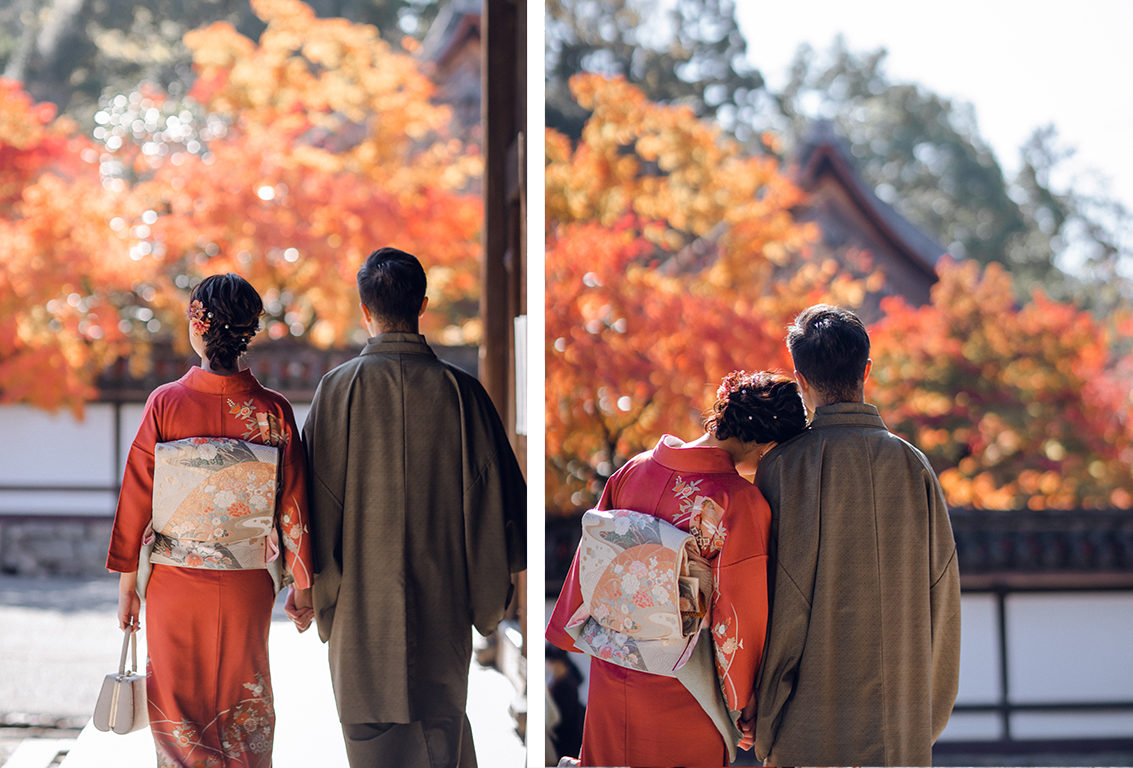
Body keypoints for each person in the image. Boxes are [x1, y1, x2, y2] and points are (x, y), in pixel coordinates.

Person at [303, 247, 527, 768]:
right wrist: (487, 598)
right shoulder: (463, 394)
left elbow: (307, 509)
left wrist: (313, 593)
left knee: (370, 740)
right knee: (439, 732)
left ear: (365, 310)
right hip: (441, 608)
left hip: (361, 613)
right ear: (423, 304)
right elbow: (499, 508)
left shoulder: (336, 393)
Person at [546, 370, 808, 767]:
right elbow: (738, 615)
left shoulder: (632, 470)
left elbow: (593, 560)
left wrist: (570, 625)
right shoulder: (737, 501)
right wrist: (742, 699)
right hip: (682, 681)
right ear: (767, 444)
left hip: (613, 663)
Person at [107, 273, 314, 768]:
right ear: (249, 332)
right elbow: (293, 506)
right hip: (246, 581)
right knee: (243, 704)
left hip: (175, 582)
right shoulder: (273, 411)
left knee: (178, 713)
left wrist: (128, 584)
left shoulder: (166, 404)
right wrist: (301, 588)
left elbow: (138, 496)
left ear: (198, 328)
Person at [753, 304, 960, 767]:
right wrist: (924, 720)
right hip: (901, 731)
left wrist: (761, 719)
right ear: (866, 369)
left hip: (808, 730)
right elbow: (942, 601)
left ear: (800, 378)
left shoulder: (784, 468)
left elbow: (778, 607)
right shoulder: (914, 467)